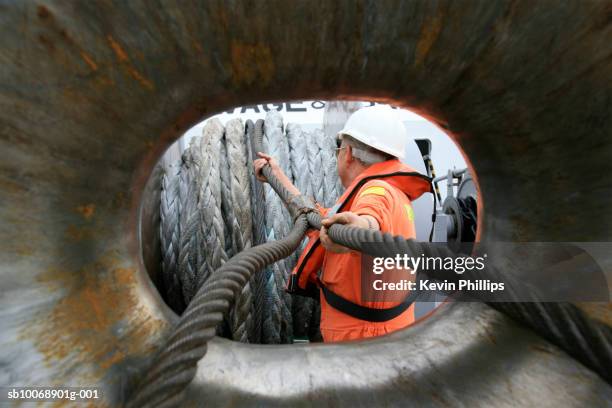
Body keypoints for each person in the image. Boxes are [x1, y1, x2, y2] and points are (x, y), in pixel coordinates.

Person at [254, 105, 431, 342]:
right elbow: (319, 218)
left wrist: (354, 231)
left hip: (364, 340)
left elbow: (370, 220)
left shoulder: (376, 191)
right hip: (378, 333)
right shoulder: (389, 189)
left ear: (347, 153)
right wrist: (278, 177)